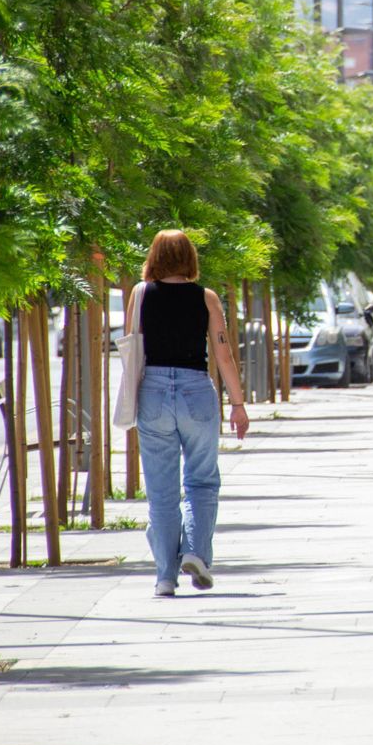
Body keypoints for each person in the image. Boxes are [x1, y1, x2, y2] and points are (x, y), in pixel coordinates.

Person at [130, 230, 248, 598]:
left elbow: (132, 348)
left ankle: (165, 578)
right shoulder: (206, 298)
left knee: (161, 492)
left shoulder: (140, 294)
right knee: (201, 480)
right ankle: (196, 552)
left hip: (153, 392)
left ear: (154, 257)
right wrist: (238, 404)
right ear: (190, 258)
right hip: (196, 391)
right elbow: (223, 355)